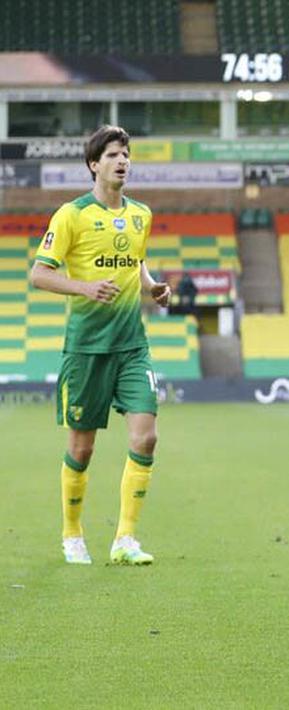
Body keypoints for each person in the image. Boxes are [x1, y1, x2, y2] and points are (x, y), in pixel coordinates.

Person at [29, 125, 171, 566]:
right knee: (82, 449)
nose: (122, 161)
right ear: (94, 164)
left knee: (146, 437)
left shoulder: (141, 214)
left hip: (132, 345)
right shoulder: (71, 215)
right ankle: (72, 534)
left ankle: (125, 538)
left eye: (125, 154)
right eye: (112, 154)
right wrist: (84, 288)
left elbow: (136, 261)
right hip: (86, 348)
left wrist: (151, 286)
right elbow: (39, 274)